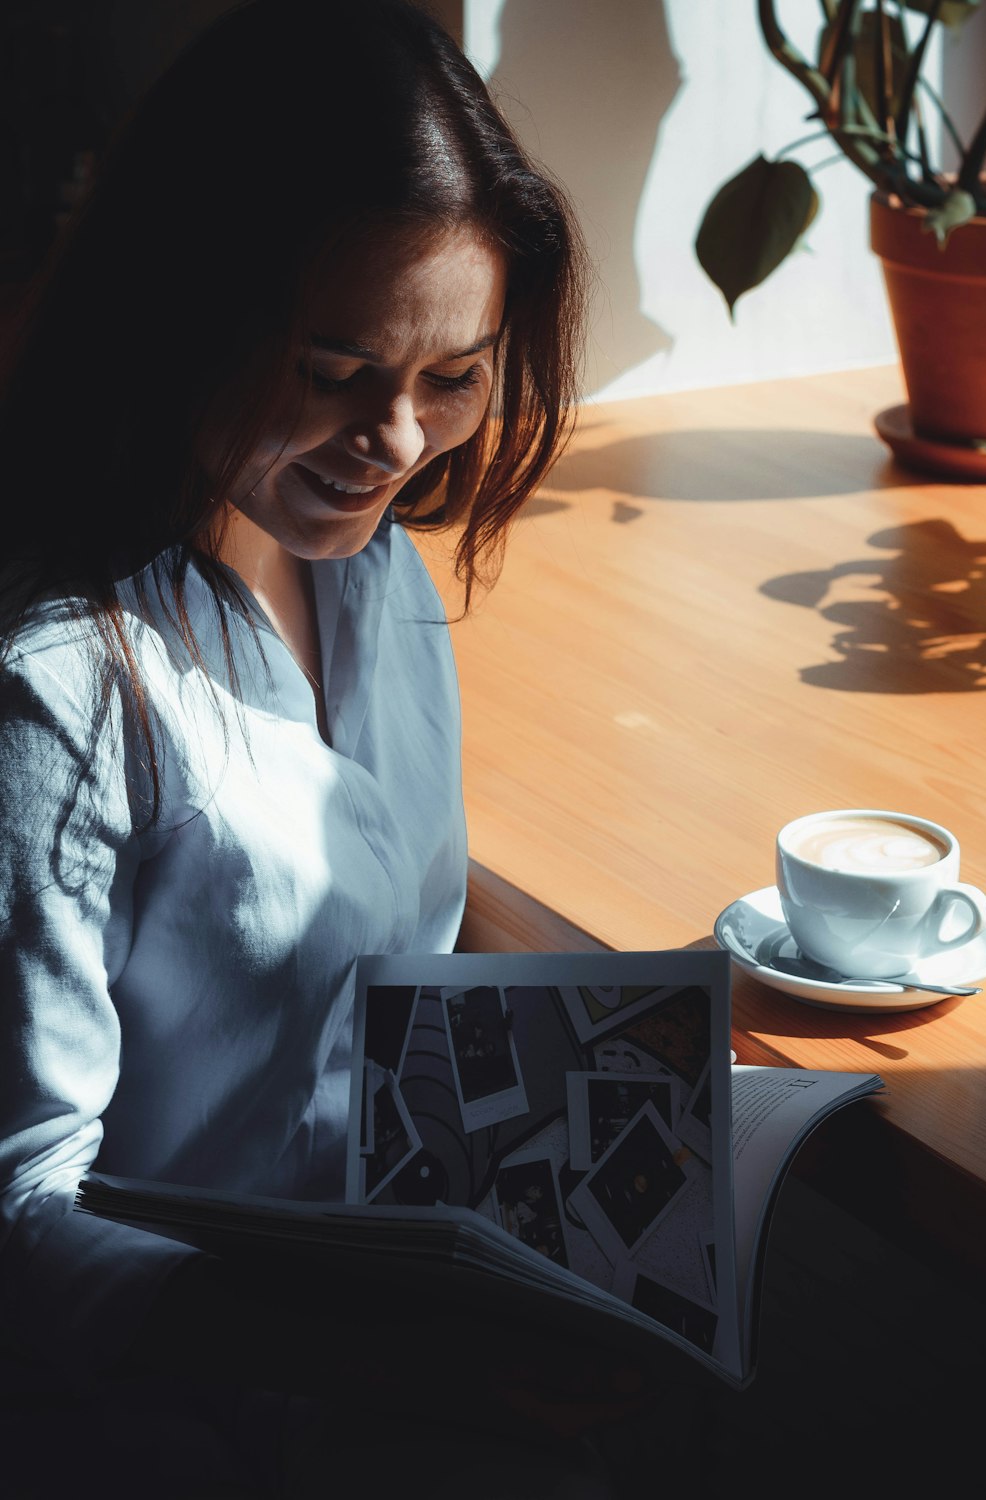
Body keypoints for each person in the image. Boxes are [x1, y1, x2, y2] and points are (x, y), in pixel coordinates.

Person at [0, 2, 667, 1495]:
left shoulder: (373, 569)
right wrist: (382, 1357)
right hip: (145, 1410)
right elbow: (15, 1218)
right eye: (336, 368)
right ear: (189, 311)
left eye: (457, 376)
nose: (399, 440)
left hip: (373, 1305)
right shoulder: (58, 693)